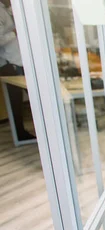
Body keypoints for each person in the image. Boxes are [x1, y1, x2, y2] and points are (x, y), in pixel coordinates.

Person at [0, 0, 33, 141]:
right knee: (15, 101)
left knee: (33, 97)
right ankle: (20, 133)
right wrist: (14, 32)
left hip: (19, 59)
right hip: (9, 62)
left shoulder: (6, 8)